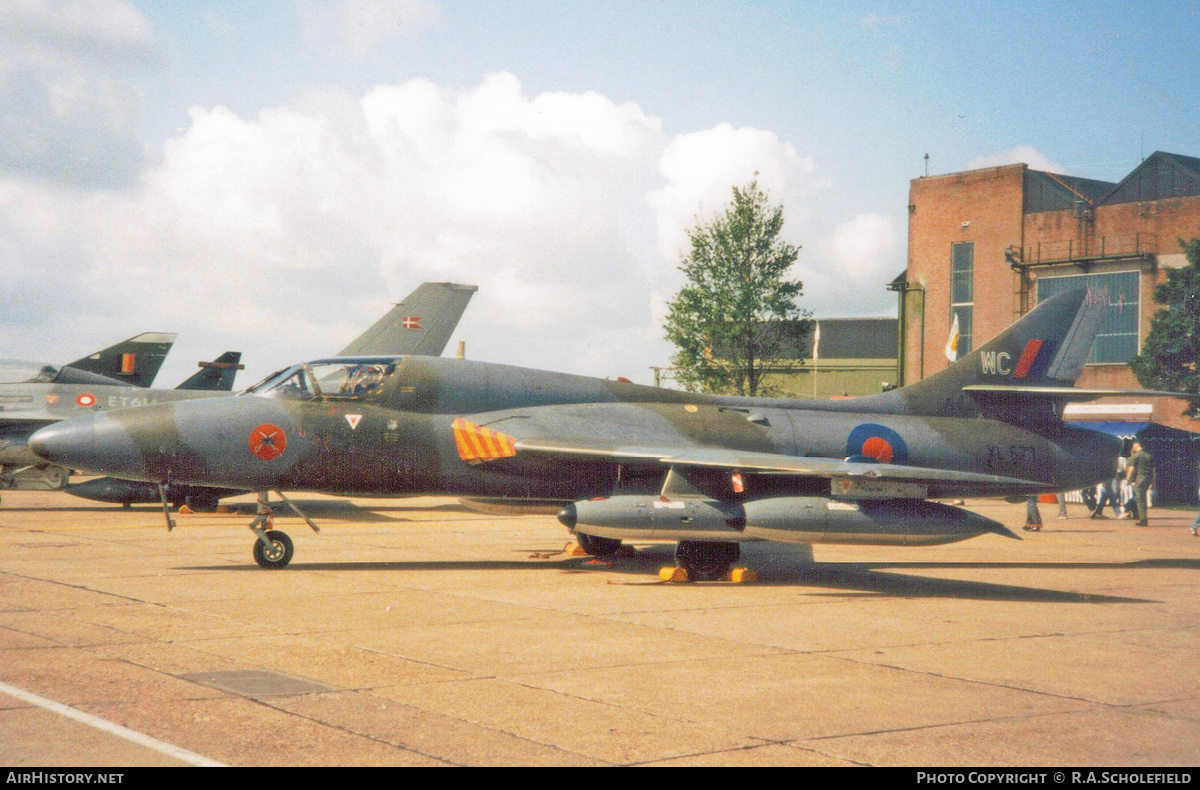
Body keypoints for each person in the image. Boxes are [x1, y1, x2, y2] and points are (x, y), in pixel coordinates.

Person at [1124, 440, 1154, 527]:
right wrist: (1153, 483)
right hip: (1148, 478)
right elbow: (1153, 470)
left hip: (1140, 479)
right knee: (1143, 499)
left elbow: (1131, 469)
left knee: (1140, 500)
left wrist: (1127, 479)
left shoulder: (1136, 456)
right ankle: (1143, 517)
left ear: (1138, 445)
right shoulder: (1149, 456)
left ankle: (1143, 520)